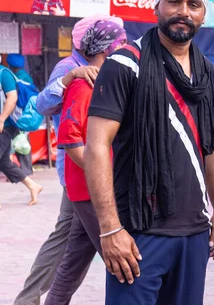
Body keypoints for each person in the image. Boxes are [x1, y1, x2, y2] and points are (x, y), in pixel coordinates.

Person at [84, 0, 214, 305]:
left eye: (194, 4)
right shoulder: (124, 63)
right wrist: (110, 229)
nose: (183, 11)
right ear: (156, 6)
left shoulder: (205, 69)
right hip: (139, 230)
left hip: (194, 230)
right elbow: (96, 147)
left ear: (203, 14)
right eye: (174, 1)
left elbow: (211, 142)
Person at [14, 15, 122, 305]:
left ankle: (36, 300)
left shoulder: (103, 67)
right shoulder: (70, 67)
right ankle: (28, 299)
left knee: (75, 244)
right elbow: (42, 105)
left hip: (89, 170)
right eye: (115, 41)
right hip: (81, 171)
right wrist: (68, 78)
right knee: (94, 243)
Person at [44, 20, 127, 305]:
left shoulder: (105, 80)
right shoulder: (82, 82)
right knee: (121, 262)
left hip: (92, 187)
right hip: (88, 189)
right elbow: (69, 140)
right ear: (108, 50)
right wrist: (104, 174)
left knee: (74, 261)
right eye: (122, 45)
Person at [0, 63, 43, 208]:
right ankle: (33, 186)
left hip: (5, 125)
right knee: (4, 163)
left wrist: (1, 119)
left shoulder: (3, 74)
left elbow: (12, 98)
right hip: (3, 124)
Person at [6, 54, 34, 177]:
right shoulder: (25, 77)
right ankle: (24, 170)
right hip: (24, 115)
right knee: (21, 141)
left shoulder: (17, 79)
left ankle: (25, 171)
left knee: (20, 143)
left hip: (18, 115)